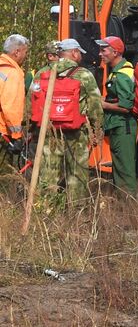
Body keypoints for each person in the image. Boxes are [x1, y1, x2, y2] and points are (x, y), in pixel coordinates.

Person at [30, 38, 102, 205]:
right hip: (77, 133)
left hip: (49, 131)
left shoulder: (43, 73)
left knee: (48, 171)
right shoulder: (83, 74)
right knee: (77, 173)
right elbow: (95, 105)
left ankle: (45, 209)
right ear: (74, 53)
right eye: (79, 53)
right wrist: (97, 130)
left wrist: (31, 128)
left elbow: (32, 101)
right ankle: (77, 210)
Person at [96, 37, 138, 195]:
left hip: (123, 127)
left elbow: (126, 107)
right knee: (119, 168)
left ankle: (130, 208)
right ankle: (123, 206)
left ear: (115, 52)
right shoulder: (117, 72)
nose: (100, 54)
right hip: (118, 126)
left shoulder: (122, 74)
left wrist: (104, 105)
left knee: (125, 170)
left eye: (104, 50)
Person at [0, 34, 28, 179]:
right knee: (5, 177)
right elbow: (10, 106)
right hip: (3, 134)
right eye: (25, 52)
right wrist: (16, 137)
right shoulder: (13, 73)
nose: (25, 56)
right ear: (17, 52)